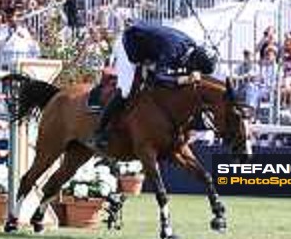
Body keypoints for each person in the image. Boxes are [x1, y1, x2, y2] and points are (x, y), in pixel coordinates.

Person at [92, 20, 218, 149]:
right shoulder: (173, 51)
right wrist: (185, 79)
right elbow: (159, 77)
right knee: (125, 91)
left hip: (149, 49)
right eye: (198, 69)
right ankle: (99, 131)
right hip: (129, 47)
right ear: (195, 62)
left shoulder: (189, 49)